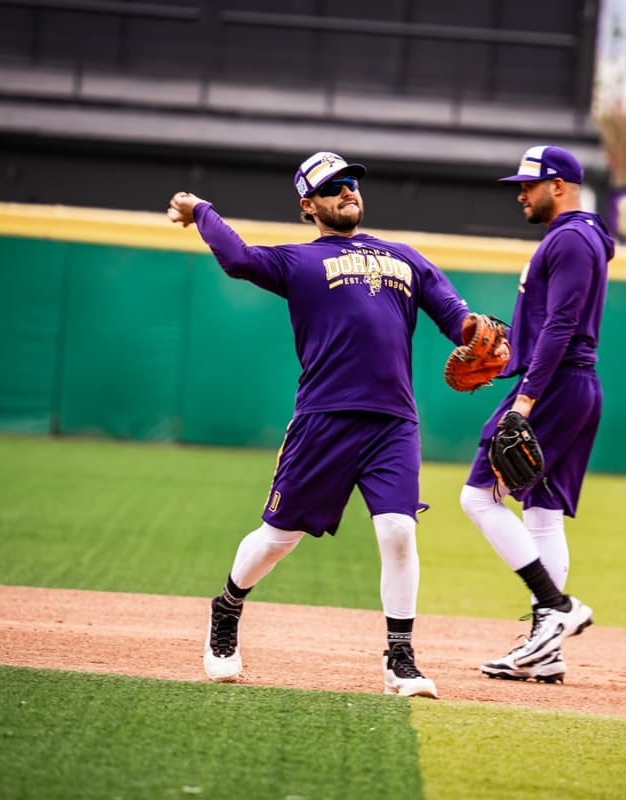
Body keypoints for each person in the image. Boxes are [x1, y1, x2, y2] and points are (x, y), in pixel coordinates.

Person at [167, 151, 481, 699]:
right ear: (308, 205)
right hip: (324, 420)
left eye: (352, 182)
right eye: (333, 186)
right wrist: (201, 210)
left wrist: (478, 335)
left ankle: (400, 659)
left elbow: (458, 319)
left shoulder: (405, 258)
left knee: (399, 532)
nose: (348, 191)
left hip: (393, 422)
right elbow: (239, 259)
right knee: (277, 540)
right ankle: (226, 608)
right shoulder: (298, 262)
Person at [459, 145, 614, 684]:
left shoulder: (570, 237)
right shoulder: (582, 237)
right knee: (542, 512)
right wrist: (511, 360)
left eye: (530, 184)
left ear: (561, 186)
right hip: (575, 384)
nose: (521, 193)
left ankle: (556, 608)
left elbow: (561, 324)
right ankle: (545, 652)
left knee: (478, 498)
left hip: (553, 388)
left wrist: (524, 398)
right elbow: (551, 324)